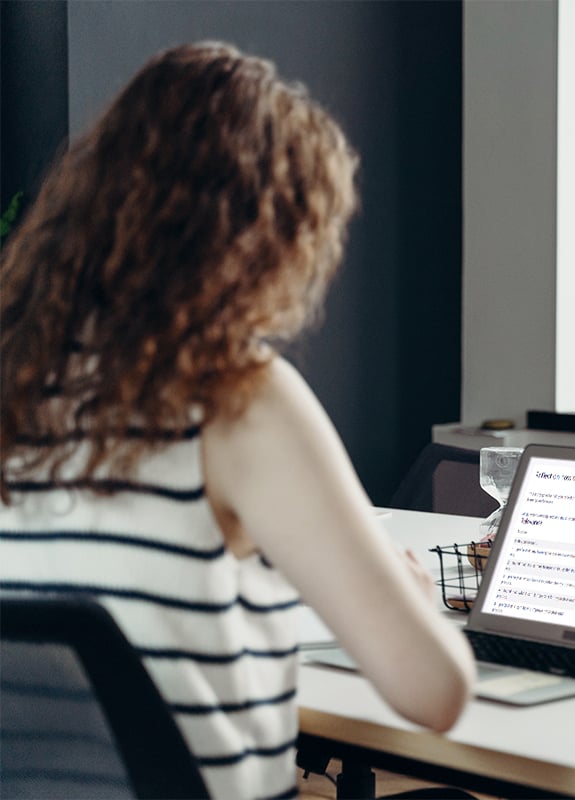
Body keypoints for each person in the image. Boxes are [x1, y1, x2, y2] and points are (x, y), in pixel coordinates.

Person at [0, 42, 474, 799]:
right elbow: (435, 693)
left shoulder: (17, 383)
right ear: (263, 241)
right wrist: (417, 604)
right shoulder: (233, 397)